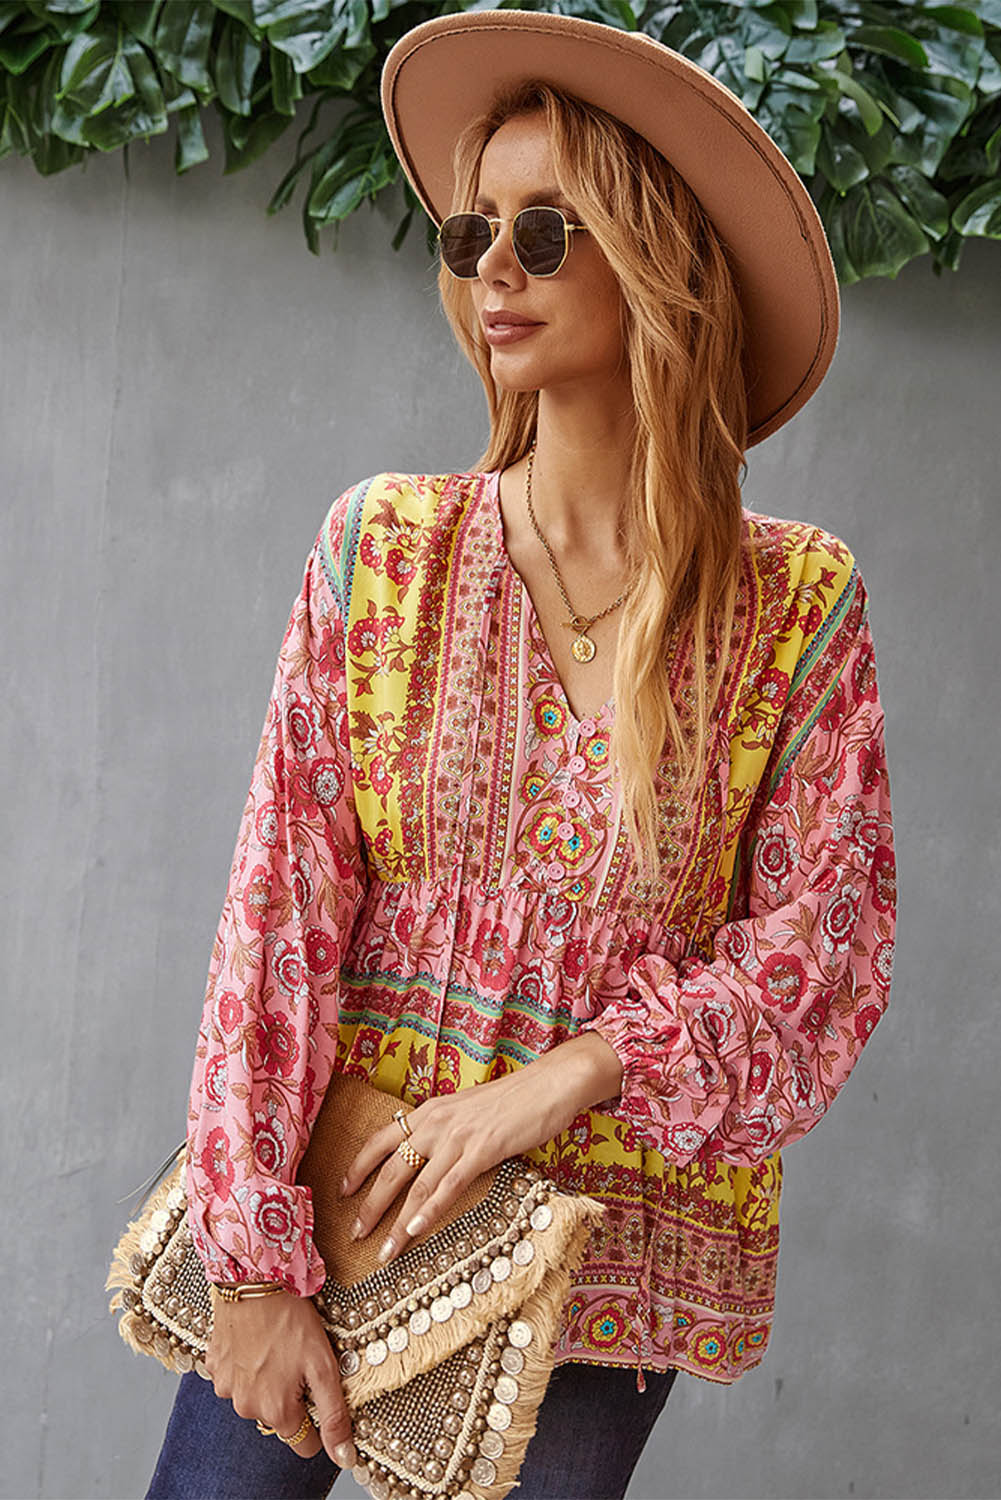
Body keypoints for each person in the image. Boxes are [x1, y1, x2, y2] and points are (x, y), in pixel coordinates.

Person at [145, 11, 897, 1499]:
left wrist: (566, 1078)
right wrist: (249, 1258)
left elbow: (826, 953)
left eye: (544, 231)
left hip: (607, 1256)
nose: (493, 266)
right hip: (343, 1207)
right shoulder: (384, 552)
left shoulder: (797, 607)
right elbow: (277, 920)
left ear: (658, 255)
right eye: (470, 229)